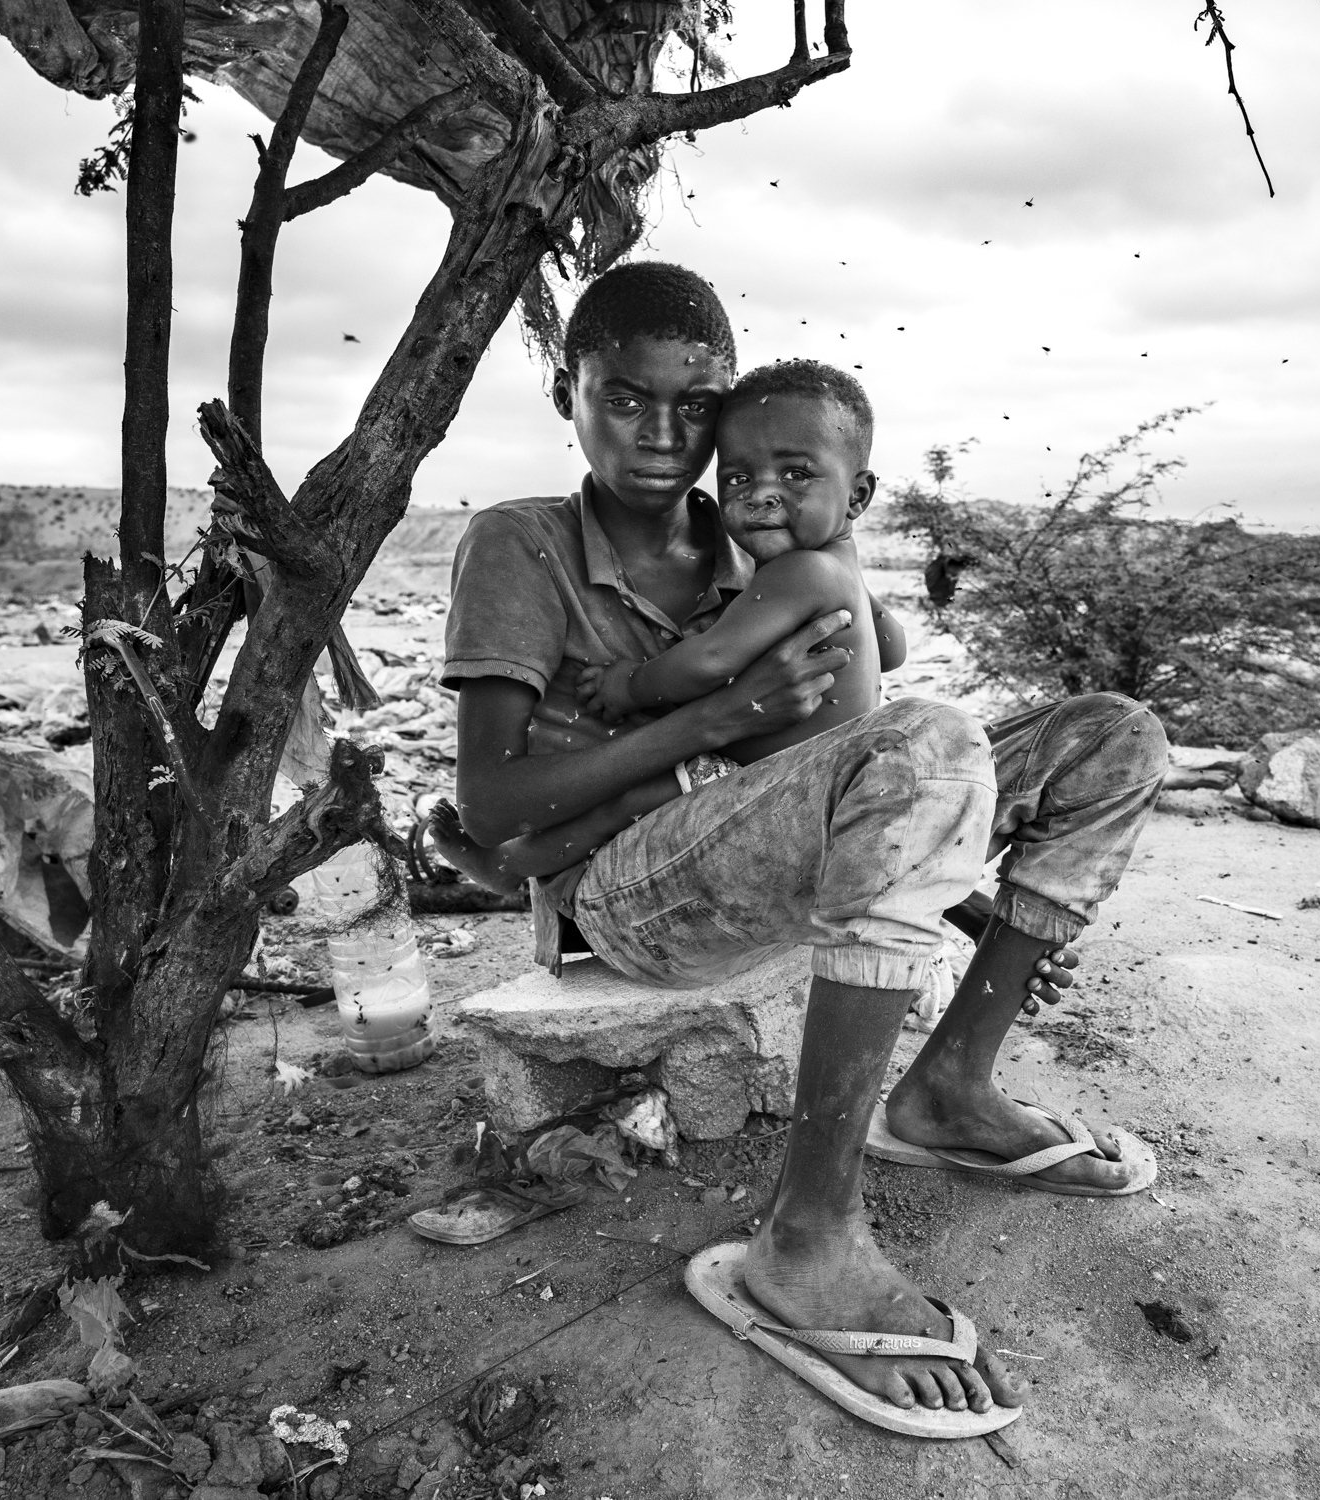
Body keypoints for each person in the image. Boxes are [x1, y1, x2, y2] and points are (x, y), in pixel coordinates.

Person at [438, 261, 1169, 1421]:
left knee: (1110, 737)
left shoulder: (763, 537)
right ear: (565, 392)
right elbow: (489, 806)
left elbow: (861, 683)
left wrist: (952, 874)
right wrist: (711, 719)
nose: (661, 434)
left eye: (694, 405)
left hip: (779, 841)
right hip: (632, 892)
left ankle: (948, 1090)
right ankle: (806, 1233)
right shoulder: (520, 543)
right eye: (621, 397)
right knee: (925, 741)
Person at [427, 357, 896, 889]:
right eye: (739, 478)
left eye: (796, 475)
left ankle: (505, 866)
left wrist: (630, 685)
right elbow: (893, 648)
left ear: (858, 495)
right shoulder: (840, 572)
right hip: (821, 792)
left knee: (633, 800)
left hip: (776, 786)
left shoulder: (798, 571)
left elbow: (711, 658)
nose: (761, 494)